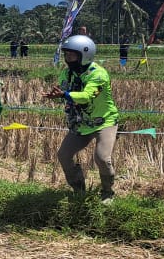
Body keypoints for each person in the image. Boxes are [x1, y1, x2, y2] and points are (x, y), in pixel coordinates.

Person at [43, 35, 118, 201]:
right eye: (66, 54)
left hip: (104, 122)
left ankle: (107, 192)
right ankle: (79, 189)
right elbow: (65, 92)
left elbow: (86, 96)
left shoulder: (98, 74)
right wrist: (57, 95)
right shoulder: (66, 74)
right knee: (63, 155)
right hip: (80, 124)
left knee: (102, 158)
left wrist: (66, 94)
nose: (68, 58)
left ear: (85, 54)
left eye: (72, 55)